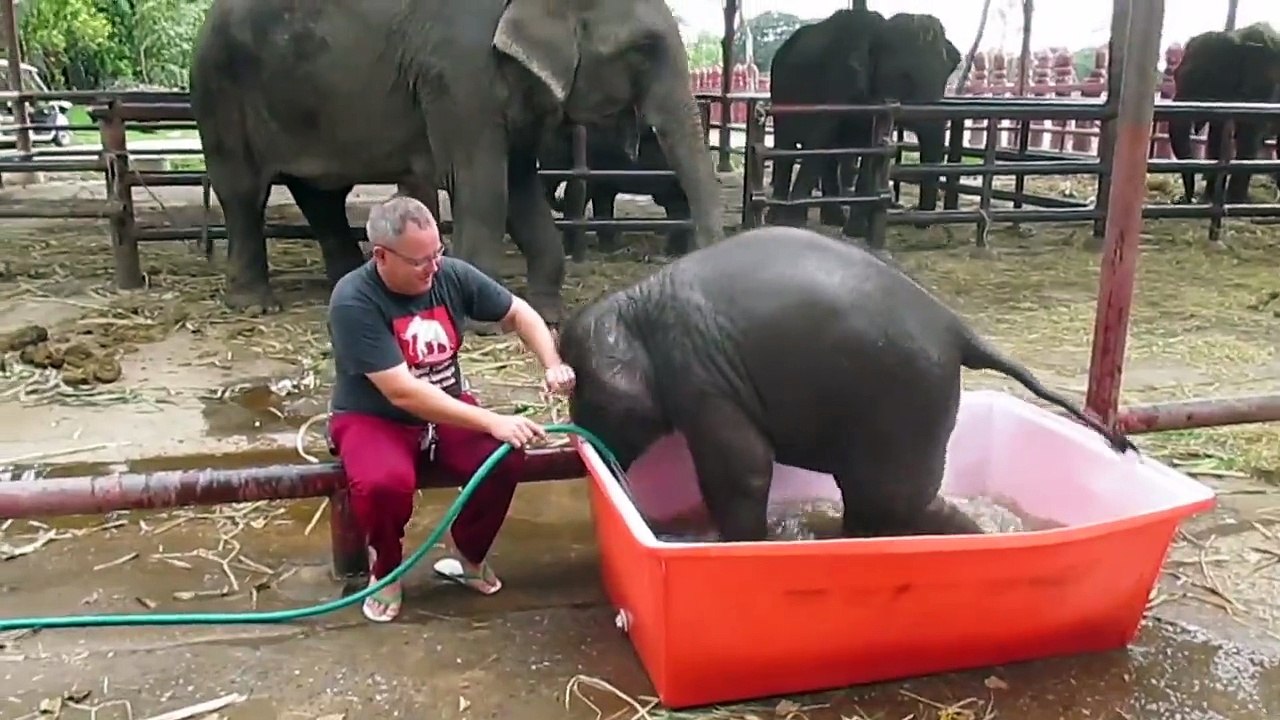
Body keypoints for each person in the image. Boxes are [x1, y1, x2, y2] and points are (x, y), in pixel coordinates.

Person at [325, 195, 576, 623]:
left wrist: (553, 364)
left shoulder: (450, 274)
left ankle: (469, 556)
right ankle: (386, 568)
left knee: (503, 459)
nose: (433, 267)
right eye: (419, 260)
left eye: (437, 252)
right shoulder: (353, 300)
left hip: (447, 407)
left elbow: (520, 314)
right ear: (381, 256)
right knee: (384, 484)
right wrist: (493, 420)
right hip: (376, 416)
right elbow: (402, 392)